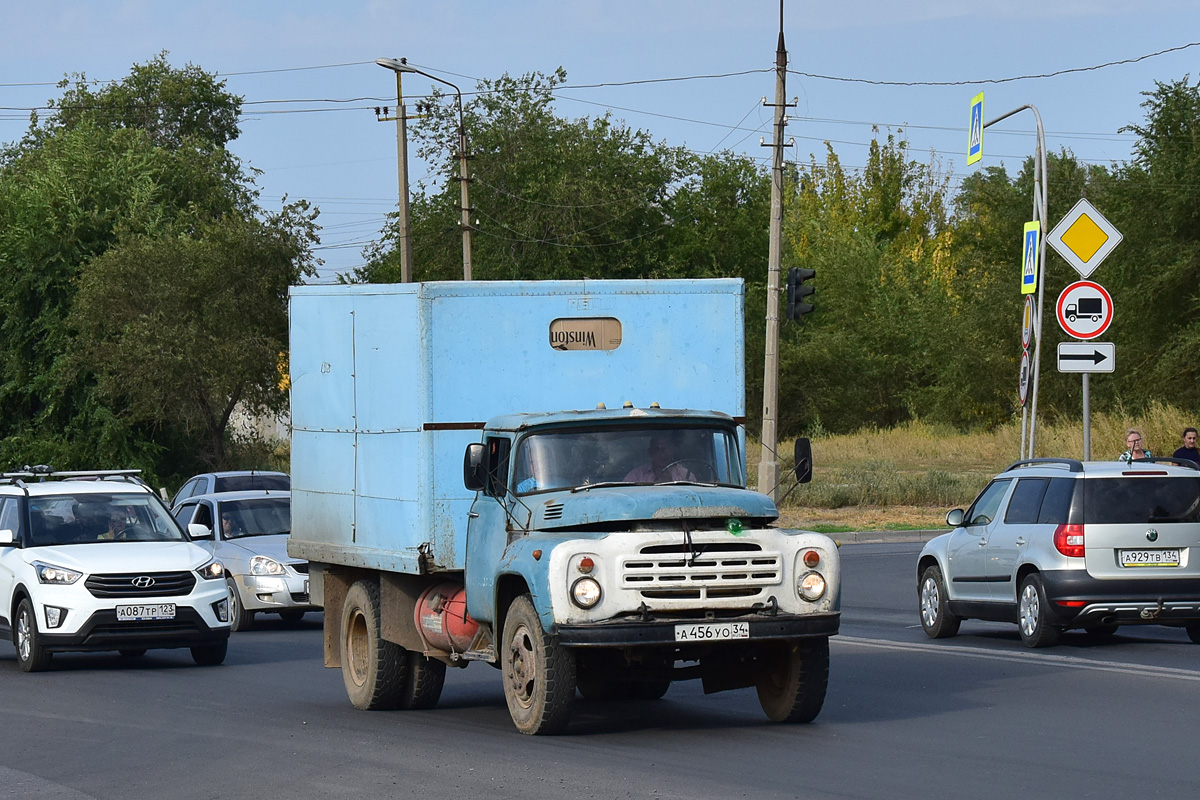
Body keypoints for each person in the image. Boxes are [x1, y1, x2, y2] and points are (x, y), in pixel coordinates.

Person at [625, 434, 696, 483]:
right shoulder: (636, 476)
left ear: (673, 450)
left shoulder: (685, 475)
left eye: (667, 449)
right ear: (650, 452)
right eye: (658, 449)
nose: (663, 454)